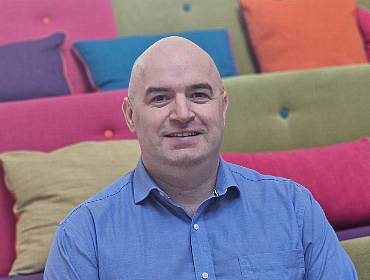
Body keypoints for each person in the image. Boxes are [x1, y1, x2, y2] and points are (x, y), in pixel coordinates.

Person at [44, 37, 357, 279]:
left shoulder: (293, 206)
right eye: (160, 98)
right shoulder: (84, 236)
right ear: (130, 115)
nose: (182, 114)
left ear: (222, 108)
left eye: (198, 95)